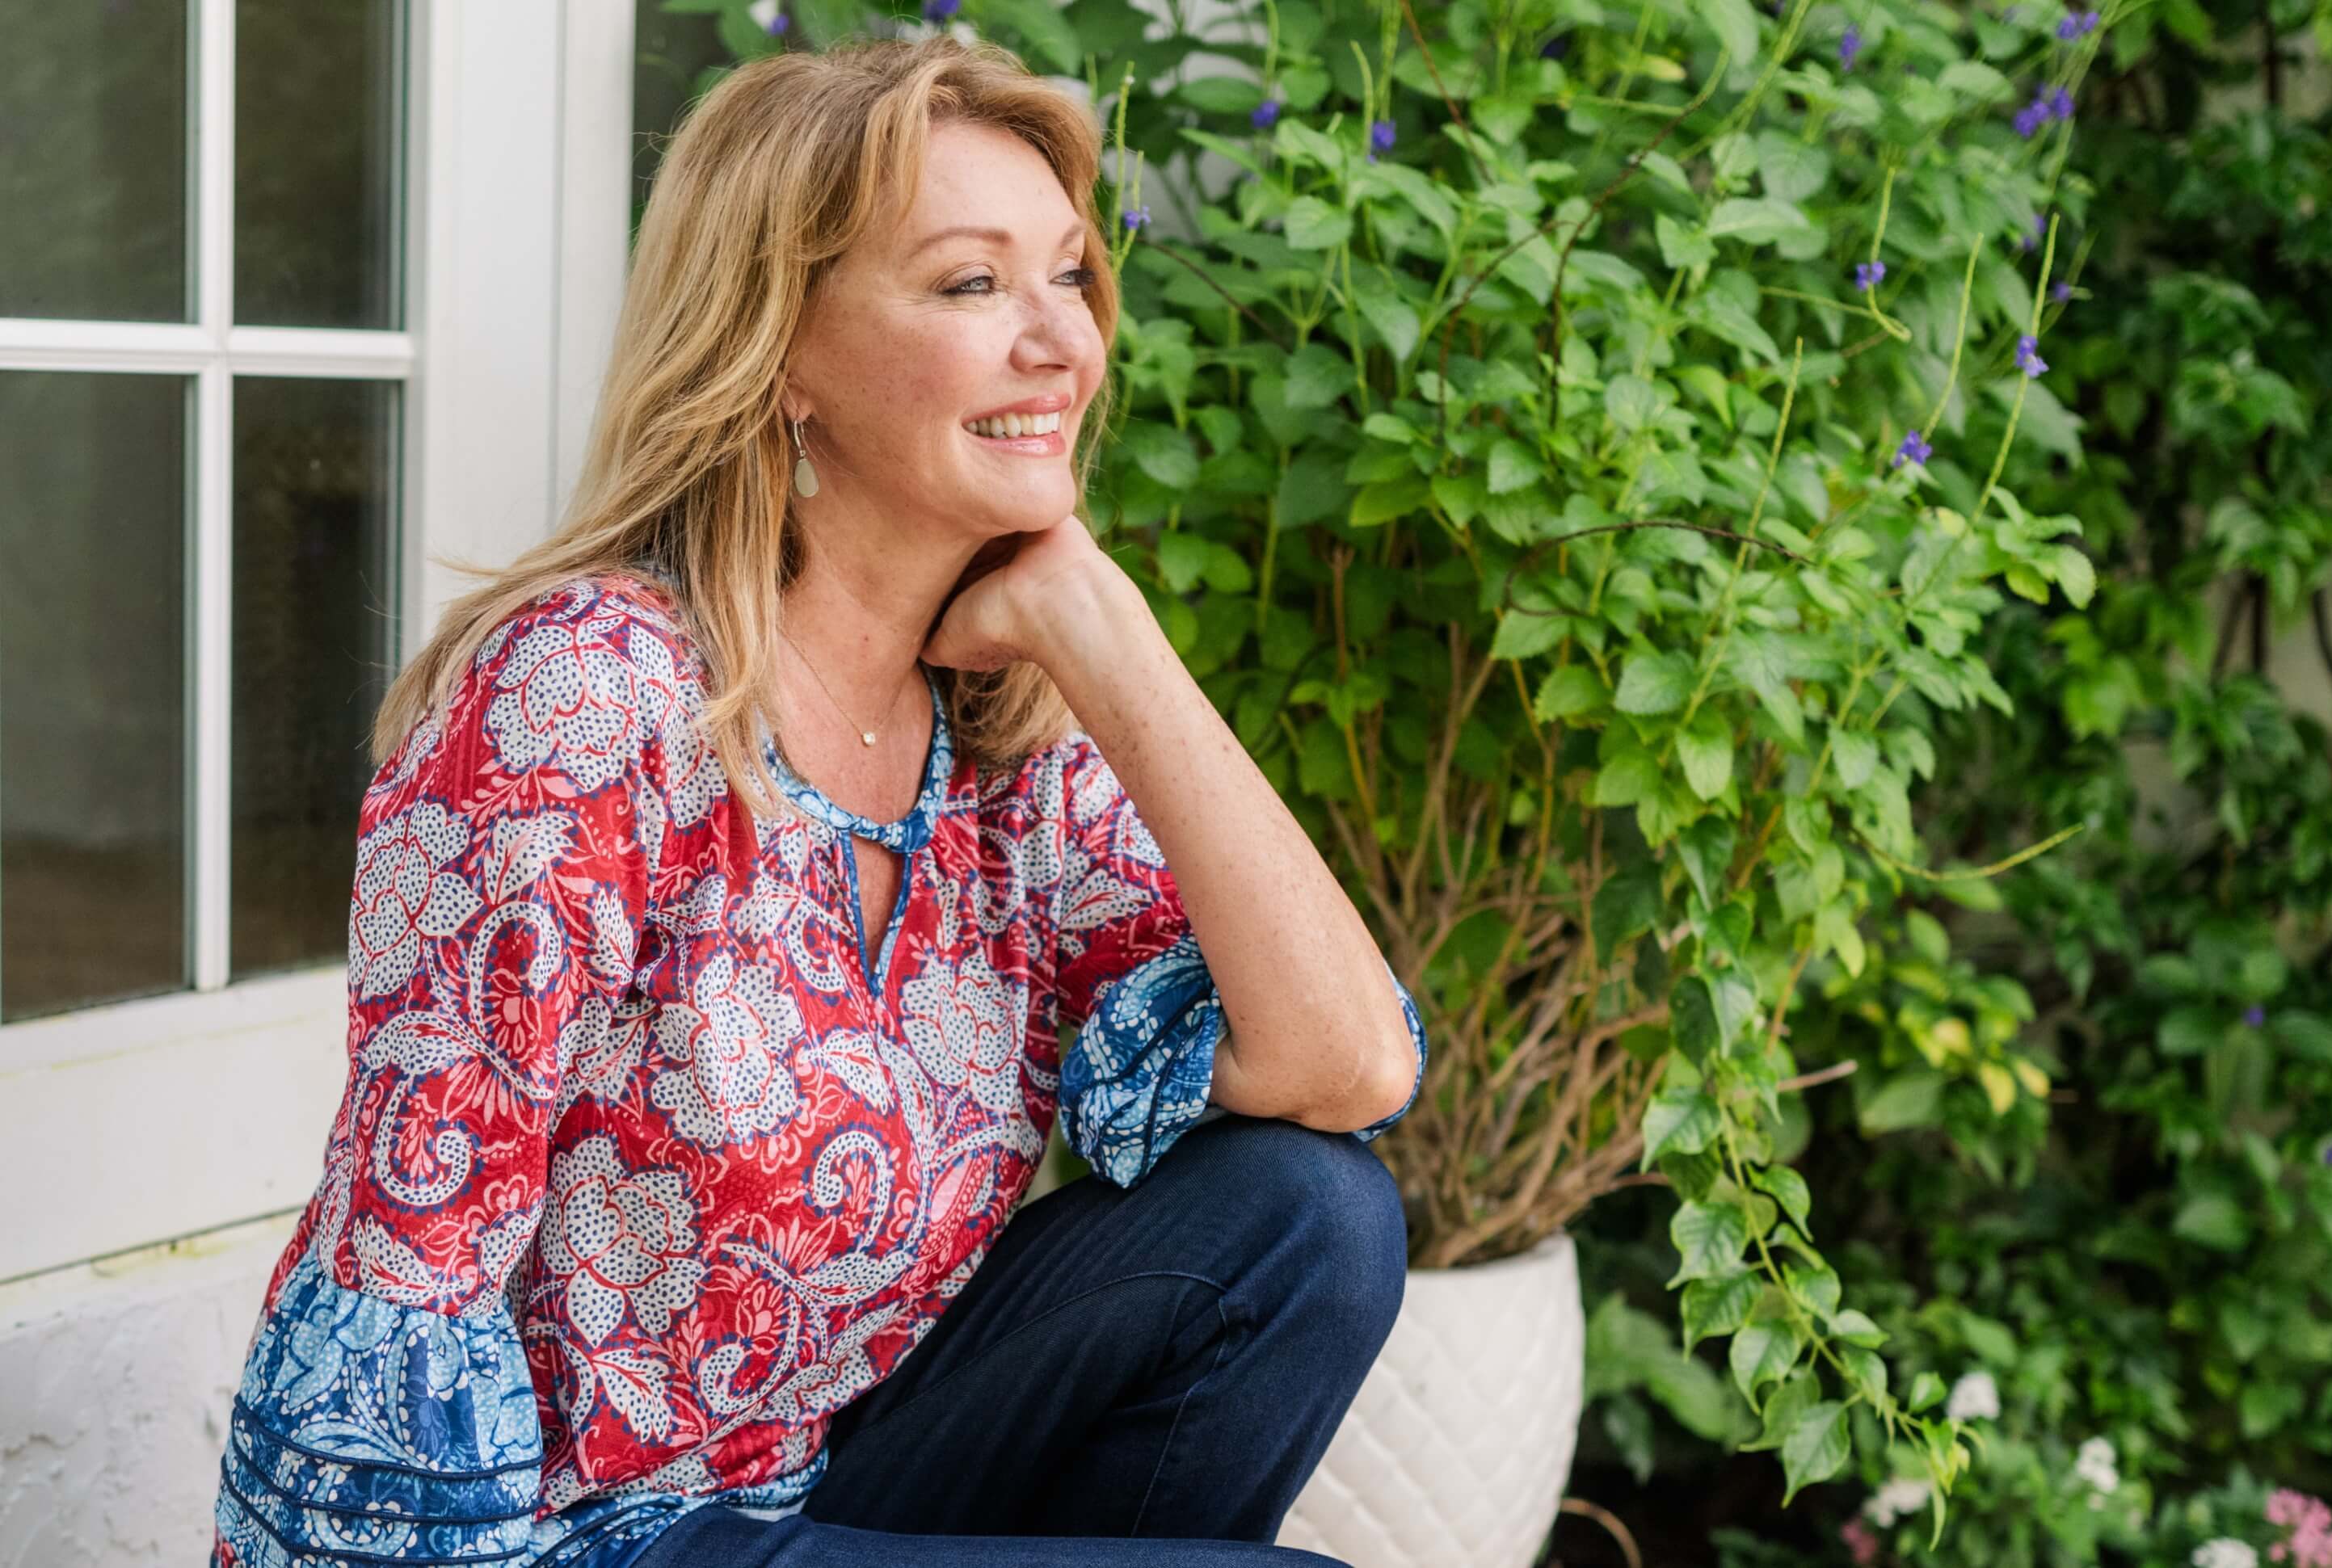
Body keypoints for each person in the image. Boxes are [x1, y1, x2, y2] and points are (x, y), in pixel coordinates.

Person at [207, 30, 1428, 1568]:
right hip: (572, 1537)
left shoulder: (1004, 741)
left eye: (1070, 276)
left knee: (1314, 1215)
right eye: (973, 284)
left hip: (823, 1482)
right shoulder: (589, 693)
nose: (1061, 341)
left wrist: (1104, 630)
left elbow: (1349, 1065)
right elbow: (411, 1252)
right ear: (783, 346)